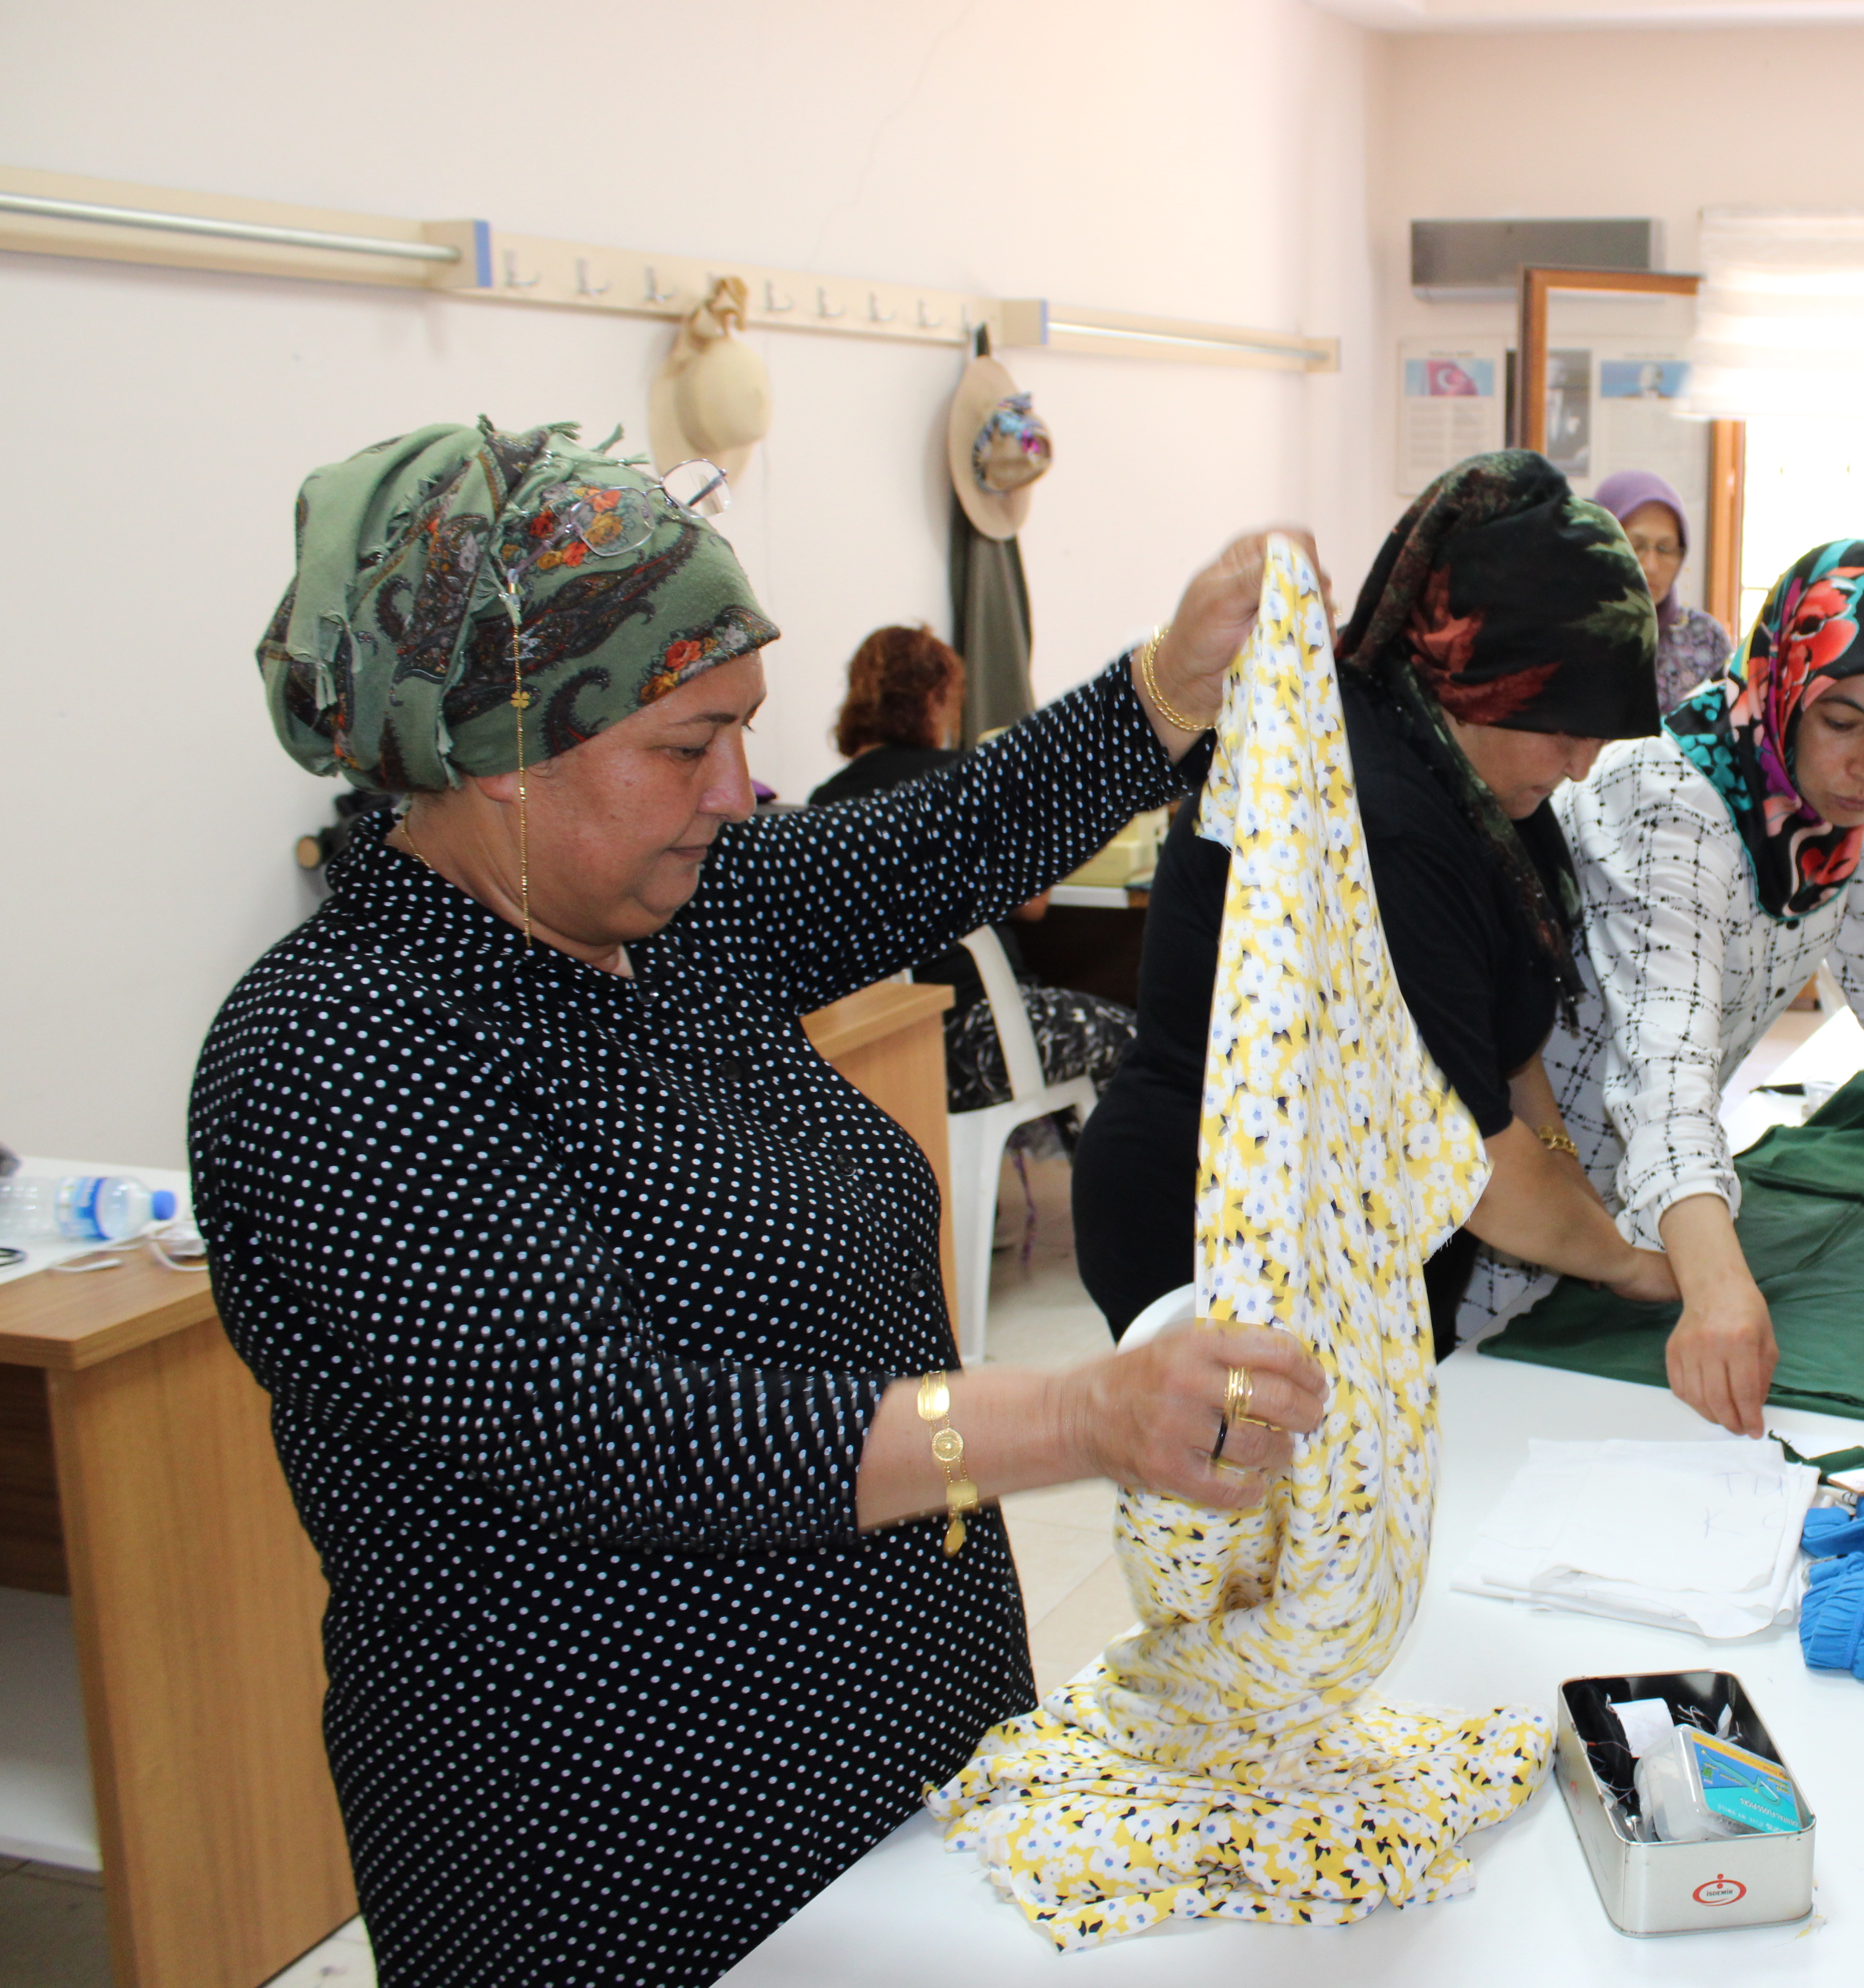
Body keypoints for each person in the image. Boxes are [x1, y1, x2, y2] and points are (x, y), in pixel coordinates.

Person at [190, 419, 1330, 1988]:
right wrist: (1066, 1420)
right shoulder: (339, 1049)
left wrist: (1169, 689)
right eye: (683, 743)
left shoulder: (672, 917)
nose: (738, 788)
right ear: (496, 748)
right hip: (613, 1857)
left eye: (744, 729)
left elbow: (927, 840)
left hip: (897, 1759)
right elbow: (607, 1431)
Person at [1461, 538, 1864, 1436]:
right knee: (1493, 1421)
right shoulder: (1669, 798)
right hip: (1518, 1190)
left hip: (1660, 1210)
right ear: (1785, 685)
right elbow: (1664, 1061)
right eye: (1843, 722)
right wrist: (1716, 1290)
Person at [1072, 451, 1679, 1350]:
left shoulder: (1475, 784)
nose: (1584, 764)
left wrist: (1587, 1204)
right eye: (1566, 732)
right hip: (1222, 1231)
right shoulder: (1376, 815)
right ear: (1476, 681)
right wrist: (1631, 1262)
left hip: (1351, 1224)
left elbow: (1509, 1061)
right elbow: (1479, 1160)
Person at [808, 622, 1135, 1116]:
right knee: (1140, 1041)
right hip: (981, 1033)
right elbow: (1033, 904)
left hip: (887, 1048)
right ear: (937, 698)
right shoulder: (956, 783)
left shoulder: (823, 803)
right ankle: (1118, 1192)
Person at [1595, 468, 1731, 711]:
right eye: (1635, 546)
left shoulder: (1705, 639)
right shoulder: (1568, 635)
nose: (1651, 566)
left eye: (1665, 549)